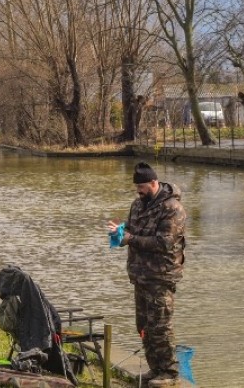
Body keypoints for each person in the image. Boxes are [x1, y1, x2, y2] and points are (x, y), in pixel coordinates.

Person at [106, 162, 186, 388]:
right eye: (136, 187)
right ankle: (155, 369)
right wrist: (119, 233)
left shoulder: (172, 208)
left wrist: (131, 238)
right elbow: (132, 230)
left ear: (154, 183)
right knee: (143, 325)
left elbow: (165, 243)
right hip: (140, 276)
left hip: (161, 276)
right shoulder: (138, 205)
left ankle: (170, 373)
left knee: (160, 326)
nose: (138, 191)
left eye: (142, 186)